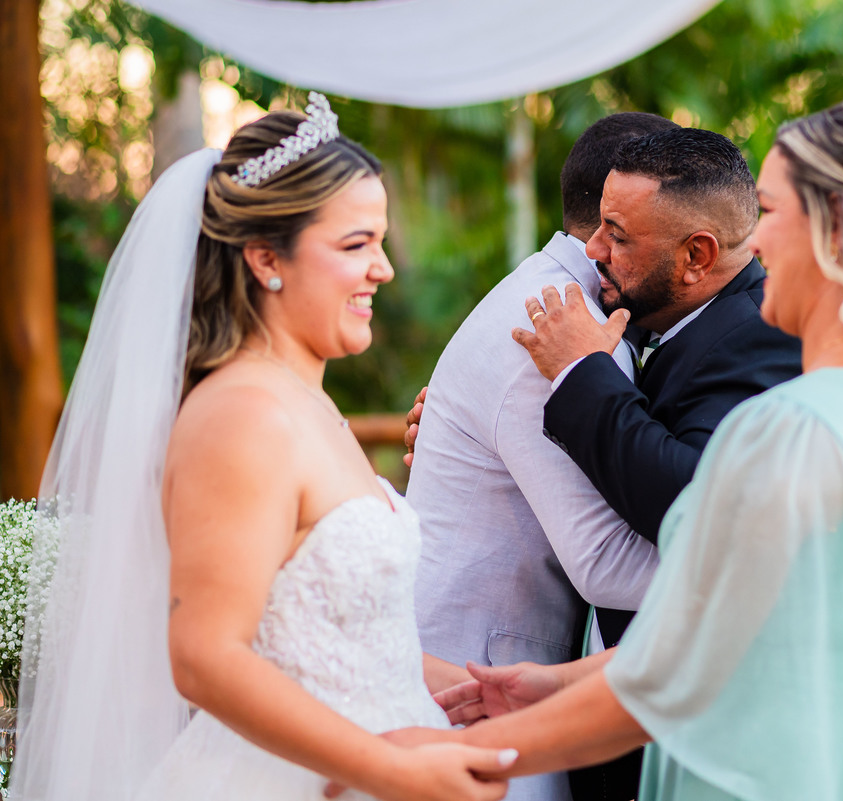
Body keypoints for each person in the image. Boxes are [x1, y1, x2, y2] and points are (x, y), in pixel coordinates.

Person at [372, 91, 843, 801]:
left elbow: (680, 668)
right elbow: (764, 625)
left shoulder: (793, 431)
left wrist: (465, 750)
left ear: (834, 234)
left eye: (768, 213)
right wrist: (556, 680)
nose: (755, 243)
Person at [14, 94, 514, 801]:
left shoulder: (307, 400)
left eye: (379, 239)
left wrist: (468, 687)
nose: (384, 269)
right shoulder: (242, 417)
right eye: (355, 245)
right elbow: (204, 655)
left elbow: (342, 642)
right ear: (264, 257)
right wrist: (391, 768)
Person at [406, 111, 676, 801]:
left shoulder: (559, 296)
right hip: (471, 683)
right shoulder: (557, 323)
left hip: (499, 672)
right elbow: (605, 565)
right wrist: (760, 581)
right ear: (613, 224)